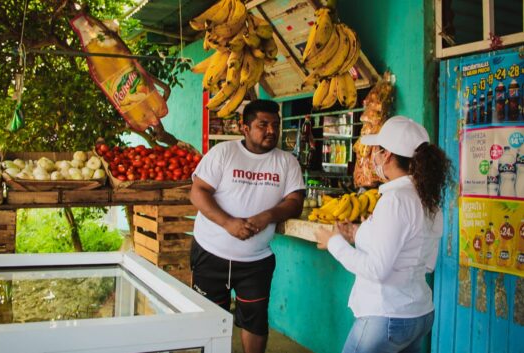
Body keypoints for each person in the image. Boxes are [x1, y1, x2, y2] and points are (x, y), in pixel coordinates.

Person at [315, 116, 452, 353]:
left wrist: (334, 242)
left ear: (387, 155)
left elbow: (376, 269)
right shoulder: (428, 200)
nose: (373, 158)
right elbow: (427, 263)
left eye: (376, 151)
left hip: (387, 317)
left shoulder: (395, 201)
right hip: (419, 315)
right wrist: (356, 234)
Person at [190, 99, 305, 353]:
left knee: (255, 323)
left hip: (255, 262)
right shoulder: (223, 153)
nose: (271, 131)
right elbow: (198, 192)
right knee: (210, 321)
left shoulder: (287, 162)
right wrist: (228, 223)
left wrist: (268, 216)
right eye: (262, 125)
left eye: (275, 125)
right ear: (244, 128)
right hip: (210, 254)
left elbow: (296, 202)